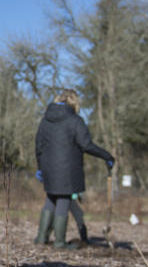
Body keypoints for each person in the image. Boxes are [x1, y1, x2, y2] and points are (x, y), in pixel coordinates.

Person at [34, 89, 114, 249]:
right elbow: (86, 145)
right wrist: (107, 156)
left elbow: (38, 146)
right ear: (74, 102)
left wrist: (41, 168)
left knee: (50, 199)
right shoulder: (75, 121)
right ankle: (59, 242)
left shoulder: (45, 120)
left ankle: (41, 238)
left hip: (48, 168)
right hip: (67, 170)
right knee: (63, 200)